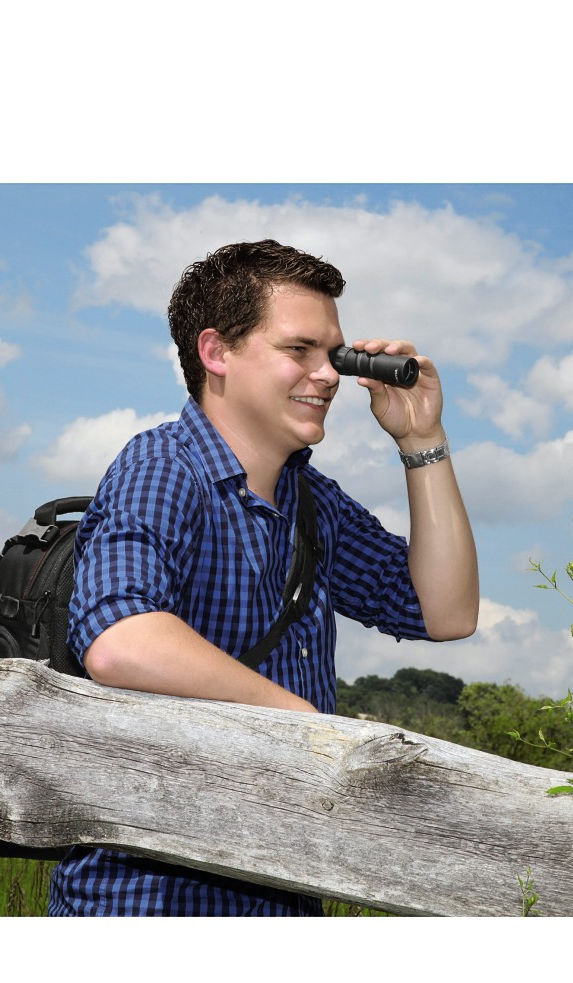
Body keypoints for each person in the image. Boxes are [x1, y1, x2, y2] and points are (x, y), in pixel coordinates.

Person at [48, 239, 479, 916]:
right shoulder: (163, 468)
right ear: (216, 353)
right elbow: (120, 638)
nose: (328, 376)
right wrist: (303, 725)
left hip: (283, 893)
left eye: (333, 355)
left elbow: (444, 612)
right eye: (298, 350)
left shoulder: (313, 501)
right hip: (152, 899)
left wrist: (421, 439)